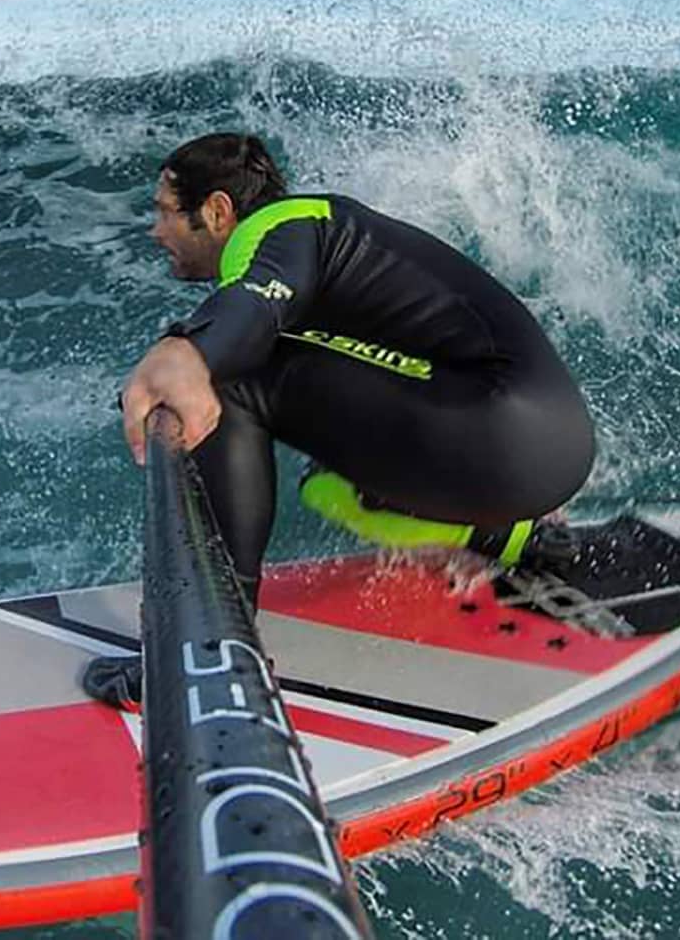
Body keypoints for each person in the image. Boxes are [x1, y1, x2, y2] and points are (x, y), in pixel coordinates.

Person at [86, 132, 595, 709]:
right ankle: (518, 538)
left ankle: (213, 654)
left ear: (218, 211)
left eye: (164, 213)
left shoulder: (283, 226)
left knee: (228, 384)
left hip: (500, 425)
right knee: (331, 489)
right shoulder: (319, 243)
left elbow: (256, 303)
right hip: (545, 447)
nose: (156, 232)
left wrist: (191, 354)